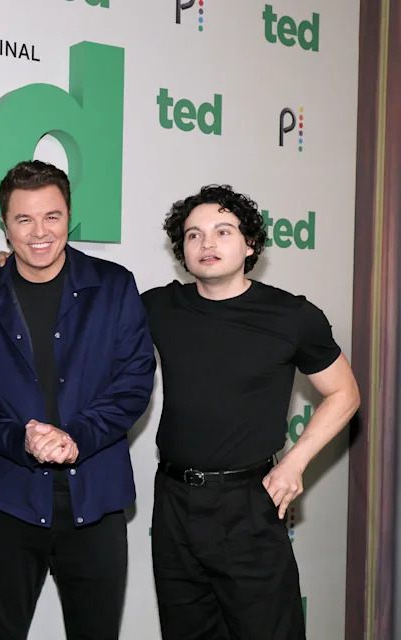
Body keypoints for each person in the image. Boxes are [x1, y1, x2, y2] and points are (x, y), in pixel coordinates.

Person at [141, 184, 360, 640]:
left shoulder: (291, 316)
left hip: (249, 504)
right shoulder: (159, 306)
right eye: (194, 235)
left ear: (250, 243)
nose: (207, 244)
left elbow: (344, 393)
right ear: (181, 247)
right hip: (174, 504)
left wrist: (296, 462)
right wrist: (13, 266)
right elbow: (85, 304)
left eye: (223, 231)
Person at [0, 160, 156, 640]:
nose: (39, 232)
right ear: (4, 225)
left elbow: (134, 382)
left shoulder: (114, 286)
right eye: (23, 219)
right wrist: (21, 437)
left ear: (69, 216)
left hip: (97, 501)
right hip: (9, 503)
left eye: (51, 216)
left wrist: (76, 437)